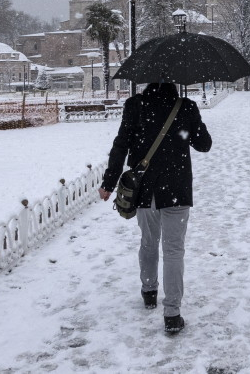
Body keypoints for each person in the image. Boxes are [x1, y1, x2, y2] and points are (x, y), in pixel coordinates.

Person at [99, 82, 212, 334]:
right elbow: (204, 144)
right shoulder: (186, 107)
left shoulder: (135, 106)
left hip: (145, 189)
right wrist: (192, 123)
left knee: (149, 241)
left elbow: (121, 146)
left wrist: (108, 182)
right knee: (174, 250)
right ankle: (172, 313)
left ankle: (149, 291)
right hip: (177, 190)